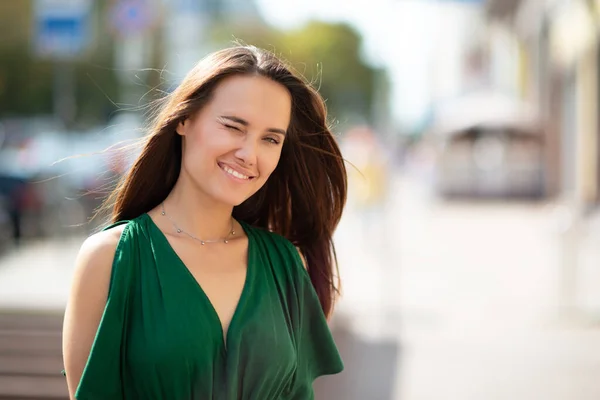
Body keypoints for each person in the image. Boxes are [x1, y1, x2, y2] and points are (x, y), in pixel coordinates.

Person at [61, 45, 348, 400]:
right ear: (184, 119)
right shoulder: (111, 258)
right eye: (232, 126)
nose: (249, 154)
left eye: (270, 139)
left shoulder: (283, 263)